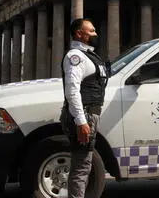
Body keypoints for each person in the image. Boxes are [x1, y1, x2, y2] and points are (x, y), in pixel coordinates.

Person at [59, 18, 109, 198]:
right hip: (84, 115)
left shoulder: (89, 55)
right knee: (81, 168)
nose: (96, 34)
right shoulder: (76, 57)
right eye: (92, 31)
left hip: (89, 114)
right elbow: (72, 91)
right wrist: (81, 121)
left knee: (84, 166)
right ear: (80, 34)